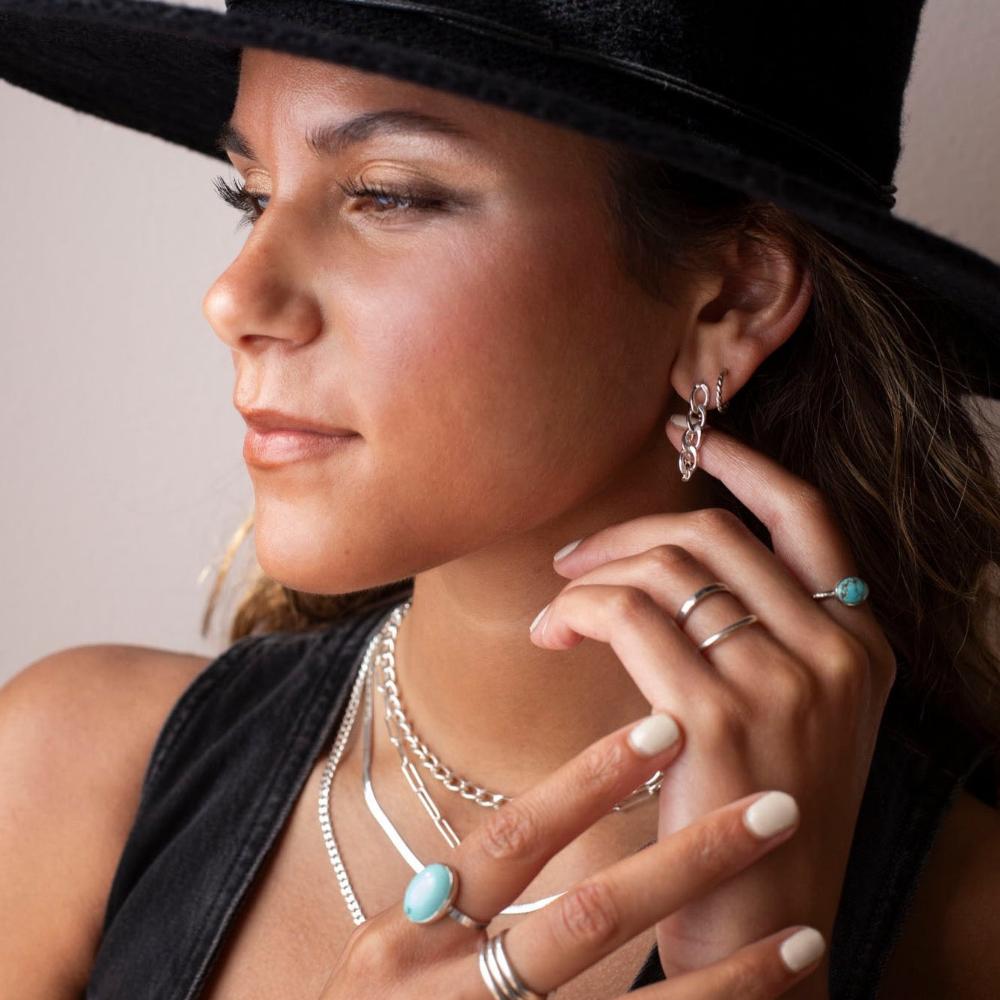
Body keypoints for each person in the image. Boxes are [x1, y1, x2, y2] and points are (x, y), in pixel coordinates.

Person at [1, 2, 999, 998]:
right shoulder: (66, 772)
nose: (233, 298)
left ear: (729, 299)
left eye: (386, 195)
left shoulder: (968, 921)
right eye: (250, 193)